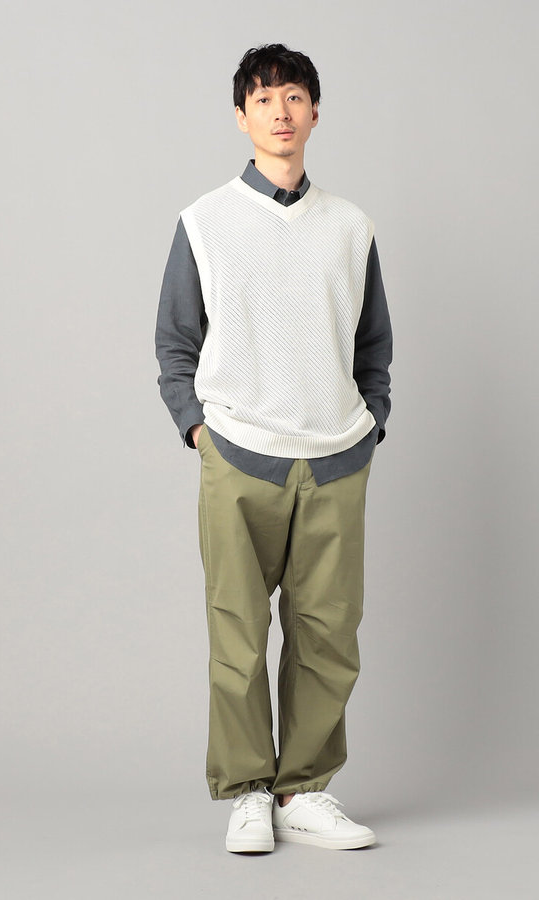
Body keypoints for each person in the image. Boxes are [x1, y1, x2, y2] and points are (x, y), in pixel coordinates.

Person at [155, 43, 392, 853]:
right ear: (241, 117)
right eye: (263, 99)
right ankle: (248, 792)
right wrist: (198, 428)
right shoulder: (204, 222)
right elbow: (175, 342)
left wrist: (371, 422)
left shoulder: (352, 227)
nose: (280, 112)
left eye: (294, 96)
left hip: (337, 458)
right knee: (238, 633)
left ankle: (305, 790)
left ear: (315, 112)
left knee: (329, 634)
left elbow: (373, 344)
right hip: (238, 453)